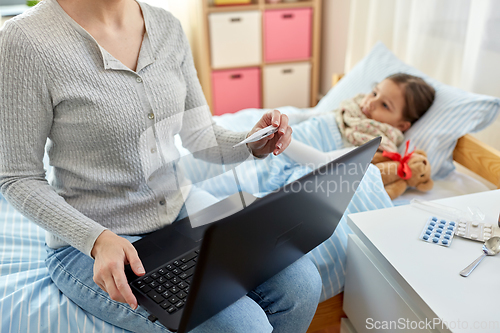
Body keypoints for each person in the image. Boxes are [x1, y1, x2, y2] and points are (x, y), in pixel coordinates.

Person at [0, 0, 322, 332]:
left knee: (302, 283)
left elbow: (201, 135)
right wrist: (96, 239)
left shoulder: (167, 26)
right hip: (95, 242)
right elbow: (17, 178)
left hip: (179, 210)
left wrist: (252, 142)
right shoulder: (26, 40)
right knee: (244, 326)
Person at [284, 73, 436, 167]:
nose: (371, 103)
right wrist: (277, 124)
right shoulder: (349, 110)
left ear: (402, 125)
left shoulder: (375, 145)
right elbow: (307, 116)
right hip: (284, 141)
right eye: (374, 93)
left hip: (287, 153)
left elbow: (324, 162)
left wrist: (280, 141)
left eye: (384, 105)